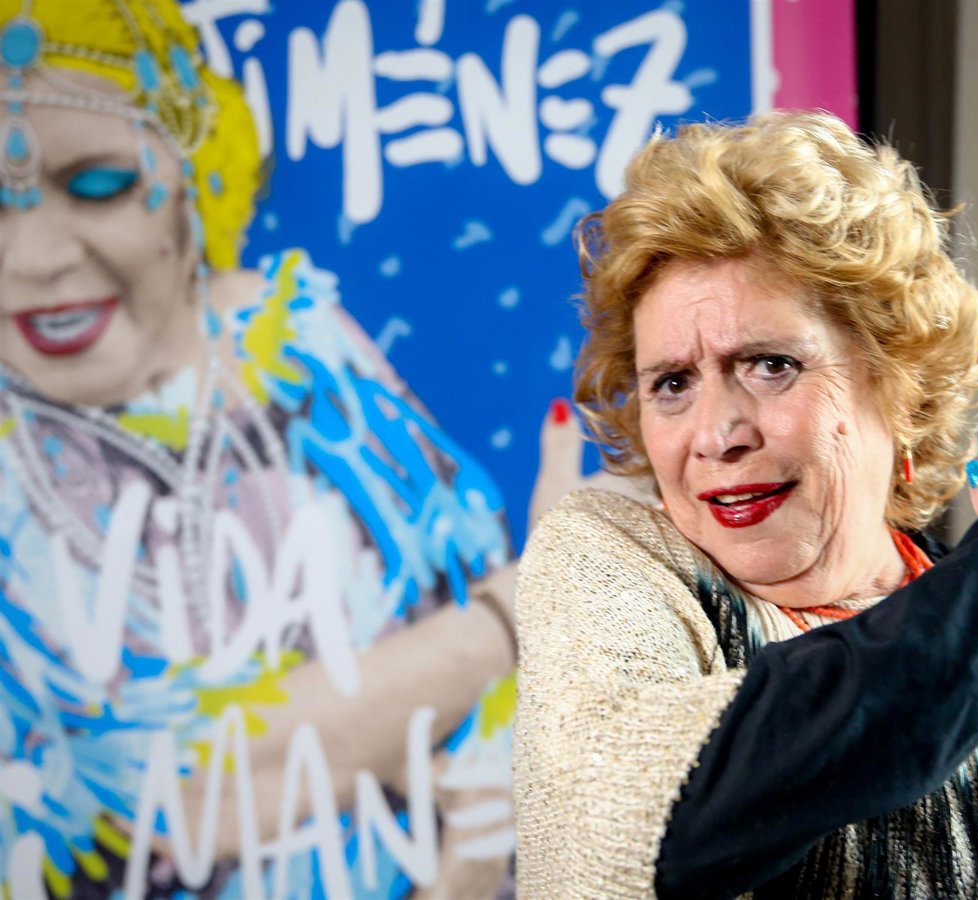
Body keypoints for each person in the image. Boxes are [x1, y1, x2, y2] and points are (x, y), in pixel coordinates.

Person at [514, 112, 978, 898]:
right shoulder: (607, 560)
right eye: (671, 383)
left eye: (770, 365)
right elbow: (635, 829)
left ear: (899, 383)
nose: (716, 434)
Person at [0, 1, 563, 897]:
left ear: (192, 172)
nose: (32, 257)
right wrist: (516, 615)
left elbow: (496, 686)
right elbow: (168, 796)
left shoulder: (299, 339)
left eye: (97, 185)